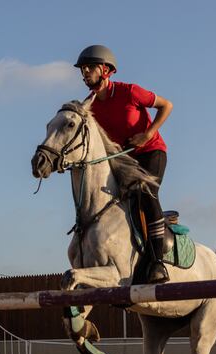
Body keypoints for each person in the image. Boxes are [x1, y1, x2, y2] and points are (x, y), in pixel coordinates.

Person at [74, 44, 174, 283]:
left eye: (89, 67)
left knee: (145, 194)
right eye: (83, 69)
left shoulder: (130, 91)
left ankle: (158, 262)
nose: (85, 72)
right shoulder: (90, 105)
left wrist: (148, 133)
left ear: (105, 69)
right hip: (124, 159)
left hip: (151, 152)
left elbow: (166, 105)